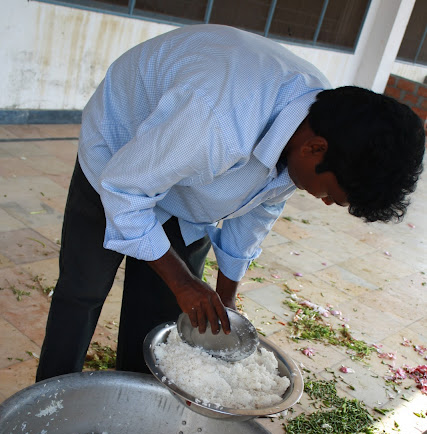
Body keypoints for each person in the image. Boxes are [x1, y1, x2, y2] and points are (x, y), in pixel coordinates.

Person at [36, 24, 425, 382]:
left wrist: (225, 295)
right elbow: (125, 191)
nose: (323, 202)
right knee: (84, 290)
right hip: (119, 155)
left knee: (160, 311)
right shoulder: (217, 121)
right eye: (329, 195)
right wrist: (183, 281)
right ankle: (50, 393)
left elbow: (262, 204)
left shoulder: (321, 124)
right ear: (313, 149)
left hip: (187, 174)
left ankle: (136, 395)